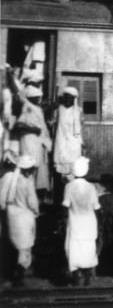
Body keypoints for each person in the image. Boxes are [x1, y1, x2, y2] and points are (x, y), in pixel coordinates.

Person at [0, 155, 39, 286]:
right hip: (25, 217)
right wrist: (36, 212)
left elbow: (2, 200)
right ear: (28, 169)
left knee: (13, 245)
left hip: (12, 216)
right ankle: (19, 273)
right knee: (25, 247)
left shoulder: (10, 179)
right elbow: (32, 203)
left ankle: (11, 273)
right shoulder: (27, 183)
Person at [62, 157, 100, 286]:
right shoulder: (91, 187)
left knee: (74, 249)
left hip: (75, 223)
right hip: (89, 223)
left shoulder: (68, 187)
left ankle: (75, 279)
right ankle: (87, 279)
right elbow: (96, 207)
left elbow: (65, 205)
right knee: (89, 249)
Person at [13, 83, 52, 192]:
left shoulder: (36, 108)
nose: (39, 99)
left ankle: (35, 196)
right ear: (31, 98)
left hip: (37, 142)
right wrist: (33, 129)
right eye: (37, 97)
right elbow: (19, 125)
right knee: (30, 168)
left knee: (39, 171)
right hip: (29, 141)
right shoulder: (27, 107)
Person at [53, 86, 83, 179]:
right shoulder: (59, 109)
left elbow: (80, 128)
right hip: (61, 143)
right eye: (65, 97)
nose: (67, 100)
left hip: (73, 144)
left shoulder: (78, 110)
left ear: (74, 99)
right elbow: (52, 122)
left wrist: (82, 142)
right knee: (60, 171)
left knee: (73, 170)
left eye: (69, 97)